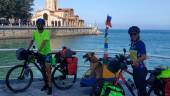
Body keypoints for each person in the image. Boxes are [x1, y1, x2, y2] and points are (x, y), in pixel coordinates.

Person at [28, 18, 52, 95]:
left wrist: (38, 50)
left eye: (41, 24)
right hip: (40, 55)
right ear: (37, 25)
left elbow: (44, 42)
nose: (40, 25)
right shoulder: (35, 32)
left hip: (47, 54)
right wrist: (28, 49)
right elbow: (32, 40)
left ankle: (50, 87)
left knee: (48, 72)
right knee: (42, 71)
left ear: (44, 25)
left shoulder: (47, 32)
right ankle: (45, 84)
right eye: (38, 24)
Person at [128, 26, 147, 96]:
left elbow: (144, 56)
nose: (133, 36)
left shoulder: (141, 44)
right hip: (135, 69)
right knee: (138, 89)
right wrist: (124, 57)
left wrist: (136, 61)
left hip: (140, 70)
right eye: (131, 34)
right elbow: (132, 54)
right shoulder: (133, 44)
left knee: (142, 91)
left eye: (134, 34)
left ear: (138, 34)